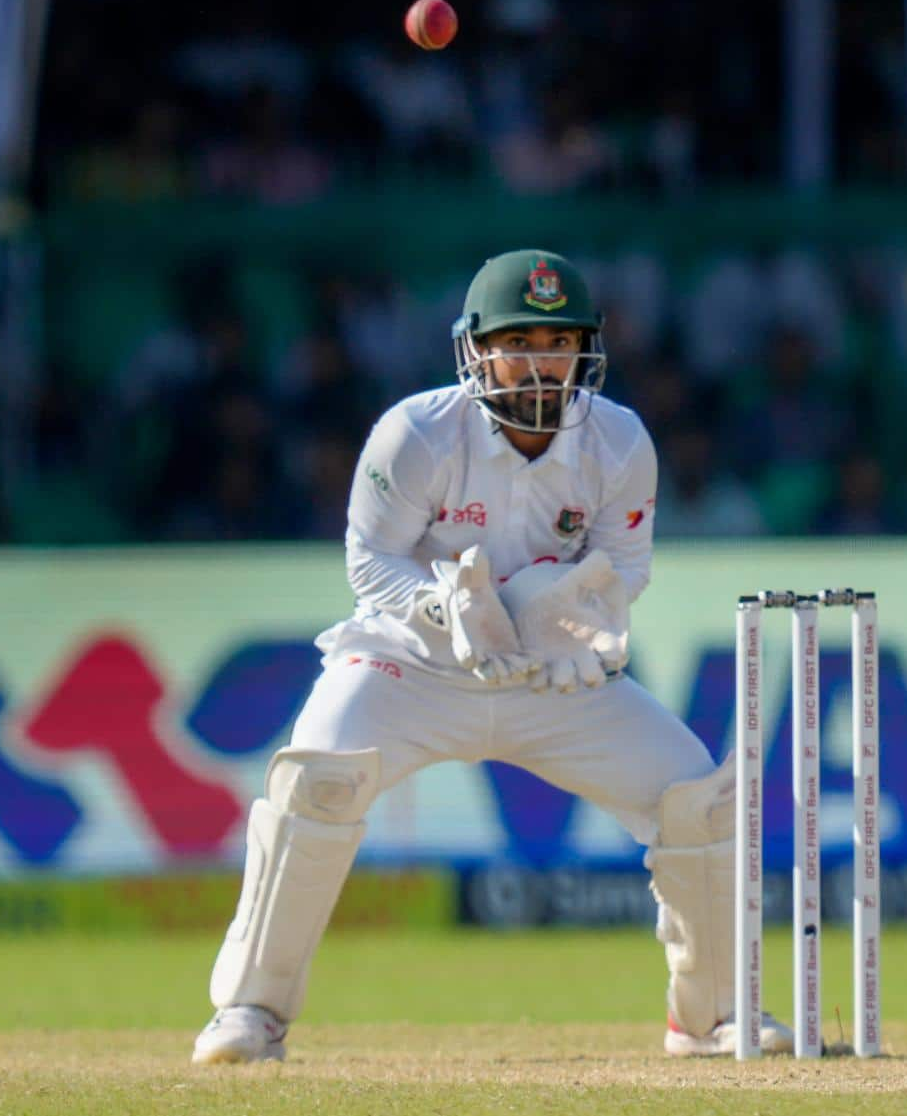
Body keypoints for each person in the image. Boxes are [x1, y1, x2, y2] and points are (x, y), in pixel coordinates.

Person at [192, 249, 788, 1063]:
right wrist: (445, 605)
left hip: (551, 676)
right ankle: (250, 1012)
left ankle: (712, 1016)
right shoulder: (417, 433)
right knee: (316, 780)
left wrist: (556, 614)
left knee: (699, 799)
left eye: (559, 342)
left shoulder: (618, 442)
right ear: (475, 349)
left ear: (586, 350)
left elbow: (628, 564)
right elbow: (369, 562)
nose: (542, 363)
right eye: (520, 341)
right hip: (415, 666)